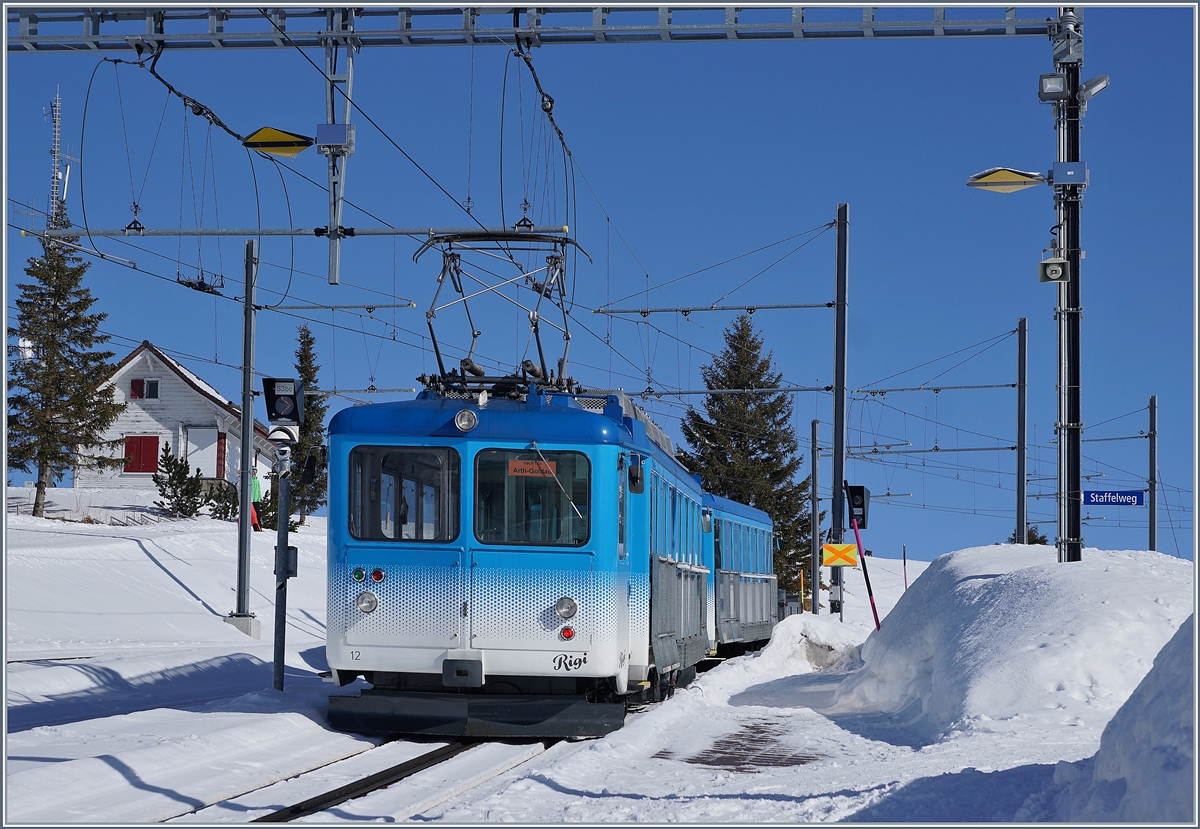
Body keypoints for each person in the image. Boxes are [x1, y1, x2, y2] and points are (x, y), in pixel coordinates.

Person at [251, 467, 263, 531]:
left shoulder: (257, 481)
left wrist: (259, 498)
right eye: (253, 471)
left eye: (255, 471)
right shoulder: (250, 479)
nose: (254, 472)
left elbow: (258, 490)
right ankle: (256, 527)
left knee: (258, 514)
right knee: (253, 514)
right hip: (251, 500)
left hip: (256, 500)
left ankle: (259, 527)